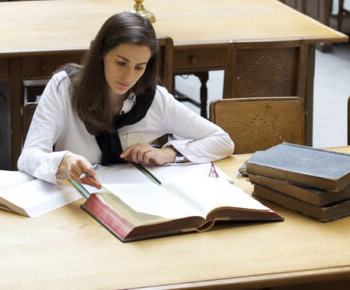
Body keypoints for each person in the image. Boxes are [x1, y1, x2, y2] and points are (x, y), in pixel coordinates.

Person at [18, 12, 235, 188]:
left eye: (139, 67)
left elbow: (222, 140)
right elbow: (28, 157)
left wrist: (168, 153)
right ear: (101, 53)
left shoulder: (153, 99)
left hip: (136, 203)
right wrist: (63, 161)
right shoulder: (64, 88)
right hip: (73, 205)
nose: (129, 76)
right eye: (121, 63)